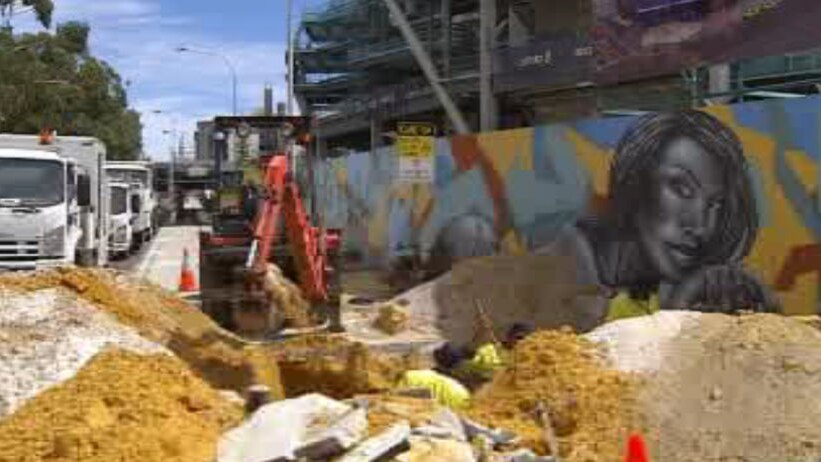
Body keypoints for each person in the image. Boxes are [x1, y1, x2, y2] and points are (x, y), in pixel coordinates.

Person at [544, 110, 778, 327]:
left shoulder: (665, 280)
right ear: (635, 180)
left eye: (715, 204)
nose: (702, 227)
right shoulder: (557, 279)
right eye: (680, 188)